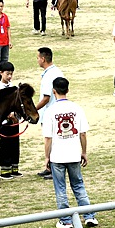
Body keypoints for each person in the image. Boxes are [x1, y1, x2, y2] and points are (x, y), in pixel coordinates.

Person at [41, 77, 98, 228]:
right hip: (73, 153)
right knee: (78, 185)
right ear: (67, 90)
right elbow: (83, 133)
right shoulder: (76, 108)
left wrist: (47, 156)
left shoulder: (50, 111)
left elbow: (48, 137)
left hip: (57, 155)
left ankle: (65, 220)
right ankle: (89, 215)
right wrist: (84, 152)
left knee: (60, 188)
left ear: (54, 91)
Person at [36, 47, 64, 180]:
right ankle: (50, 167)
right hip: (56, 111)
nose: (37, 60)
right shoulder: (56, 71)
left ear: (43, 59)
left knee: (51, 141)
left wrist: (34, 109)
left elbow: (46, 98)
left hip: (50, 113)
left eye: (38, 58)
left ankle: (53, 169)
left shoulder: (49, 75)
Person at [0, 61, 23, 179]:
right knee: (5, 144)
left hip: (15, 120)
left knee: (15, 144)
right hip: (5, 122)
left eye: (11, 74)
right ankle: (5, 169)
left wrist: (16, 115)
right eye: (7, 74)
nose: (10, 77)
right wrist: (7, 115)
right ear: (1, 73)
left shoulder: (14, 87)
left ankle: (14, 167)